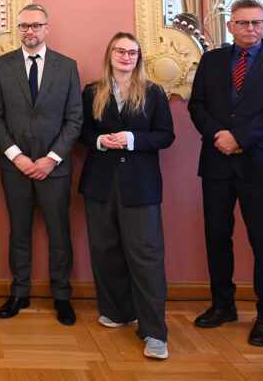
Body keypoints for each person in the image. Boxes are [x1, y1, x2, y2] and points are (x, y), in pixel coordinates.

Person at [188, 0, 263, 347]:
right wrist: (218, 136)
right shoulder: (211, 60)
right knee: (216, 237)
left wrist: (239, 137)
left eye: (257, 22)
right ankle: (223, 305)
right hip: (217, 162)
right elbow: (197, 106)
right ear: (230, 26)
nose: (250, 28)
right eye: (242, 23)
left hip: (261, 165)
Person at [78, 32, 175, 360]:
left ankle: (154, 332)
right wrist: (101, 141)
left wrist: (133, 139)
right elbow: (82, 132)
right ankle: (118, 311)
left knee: (146, 257)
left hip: (140, 185)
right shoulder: (92, 91)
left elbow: (166, 136)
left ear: (138, 58)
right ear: (110, 55)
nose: (126, 56)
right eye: (120, 51)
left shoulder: (153, 92)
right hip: (99, 183)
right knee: (105, 251)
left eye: (132, 52)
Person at [0, 3, 82, 325]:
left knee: (59, 233)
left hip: (55, 167)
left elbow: (74, 119)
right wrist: (17, 156)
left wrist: (51, 159)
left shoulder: (67, 66)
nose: (30, 31)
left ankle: (62, 296)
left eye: (36, 25)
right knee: (19, 231)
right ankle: (19, 292)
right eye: (24, 26)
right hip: (15, 167)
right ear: (18, 29)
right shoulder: (2, 65)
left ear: (47, 28)